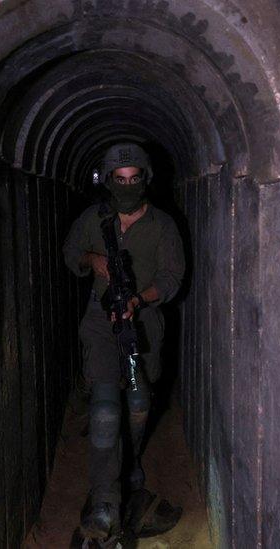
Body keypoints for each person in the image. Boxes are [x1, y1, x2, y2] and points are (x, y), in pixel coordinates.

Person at [62, 142, 185, 539]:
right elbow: (70, 254)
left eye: (134, 179)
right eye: (120, 180)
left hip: (143, 323)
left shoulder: (163, 226)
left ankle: (130, 462)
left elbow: (171, 278)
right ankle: (104, 500)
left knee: (138, 403)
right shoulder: (93, 220)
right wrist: (92, 261)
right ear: (109, 181)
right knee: (104, 408)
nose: (127, 186)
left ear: (145, 180)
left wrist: (139, 299)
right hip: (100, 321)